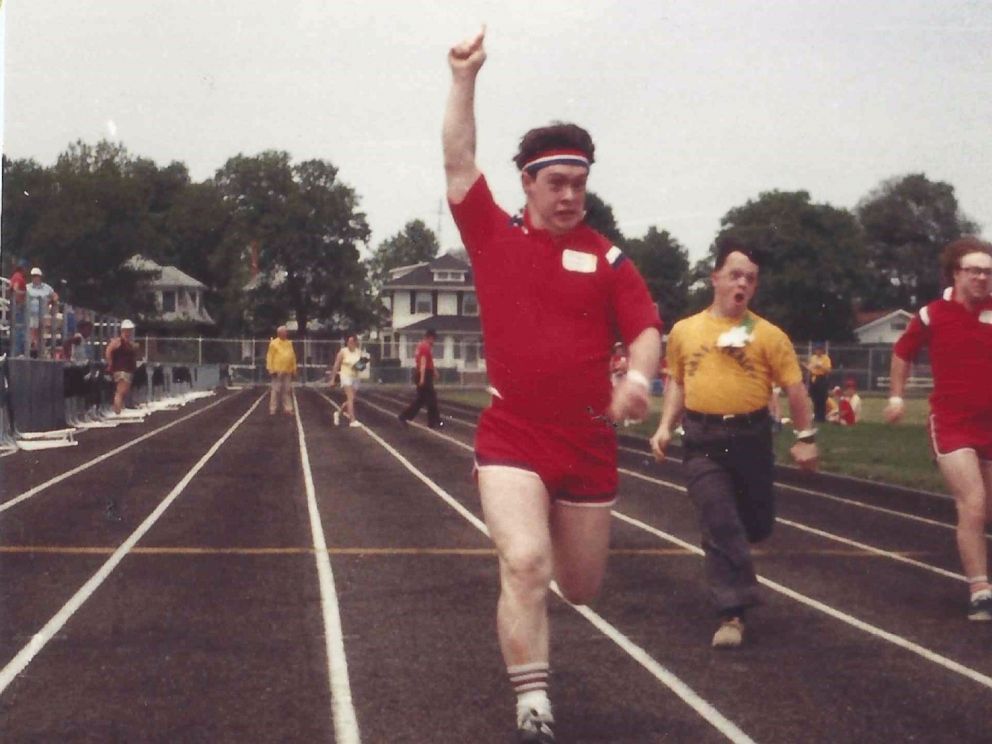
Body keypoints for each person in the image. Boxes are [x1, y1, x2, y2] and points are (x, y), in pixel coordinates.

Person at [443, 28, 662, 743]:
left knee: (581, 587)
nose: (571, 196)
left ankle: (531, 617)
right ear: (529, 184)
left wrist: (637, 379)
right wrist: (465, 78)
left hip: (590, 440)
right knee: (527, 561)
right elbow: (457, 158)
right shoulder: (492, 236)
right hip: (512, 432)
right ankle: (532, 701)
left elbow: (647, 330)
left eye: (580, 183)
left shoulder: (608, 259)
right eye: (556, 183)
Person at [650, 236, 817, 650]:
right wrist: (665, 426)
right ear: (716, 278)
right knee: (718, 518)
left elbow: (795, 391)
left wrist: (806, 437)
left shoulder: (769, 335)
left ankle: (739, 567)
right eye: (734, 275)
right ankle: (732, 611)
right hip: (703, 438)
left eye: (751, 278)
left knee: (755, 526)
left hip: (752, 439)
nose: (742, 283)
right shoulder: (685, 331)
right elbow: (677, 382)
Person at [885, 237, 992, 621]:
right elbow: (902, 352)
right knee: (974, 501)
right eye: (974, 270)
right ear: (956, 274)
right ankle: (980, 590)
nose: (983, 278)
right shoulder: (933, 314)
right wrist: (897, 397)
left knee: (986, 508)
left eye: (988, 271)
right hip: (952, 423)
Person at [398, 329, 442, 428]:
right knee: (431, 399)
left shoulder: (420, 346)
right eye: (433, 339)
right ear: (430, 337)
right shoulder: (425, 347)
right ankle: (434, 422)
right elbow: (423, 363)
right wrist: (422, 378)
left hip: (425, 373)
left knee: (421, 400)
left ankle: (404, 416)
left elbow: (428, 361)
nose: (434, 342)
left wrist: (434, 371)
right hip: (424, 374)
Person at [329, 334, 367, 428]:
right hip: (345, 376)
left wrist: (362, 365)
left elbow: (362, 366)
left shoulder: (359, 352)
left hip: (355, 377)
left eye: (351, 342)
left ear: (355, 343)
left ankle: (337, 413)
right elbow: (336, 365)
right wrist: (332, 379)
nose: (349, 343)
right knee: (350, 398)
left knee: (351, 399)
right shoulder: (343, 352)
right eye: (348, 342)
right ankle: (352, 420)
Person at [105, 320, 139, 414]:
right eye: (128, 330)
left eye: (130, 330)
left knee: (123, 391)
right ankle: (117, 411)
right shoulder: (118, 342)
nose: (129, 332)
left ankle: (119, 409)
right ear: (123, 330)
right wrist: (110, 363)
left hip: (127, 369)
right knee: (120, 391)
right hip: (121, 370)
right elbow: (108, 351)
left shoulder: (129, 343)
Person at [25, 267, 59, 358]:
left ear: (40, 277)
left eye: (37, 276)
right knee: (32, 332)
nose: (35, 278)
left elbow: (55, 295)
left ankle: (40, 351)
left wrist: (52, 302)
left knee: (40, 333)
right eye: (33, 276)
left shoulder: (46, 287)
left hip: (43, 314)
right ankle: (32, 351)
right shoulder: (27, 287)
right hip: (30, 314)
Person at [266, 325, 297, 416]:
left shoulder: (289, 343)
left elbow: (293, 356)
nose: (286, 333)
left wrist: (294, 368)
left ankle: (288, 408)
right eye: (285, 332)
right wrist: (270, 369)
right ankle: (273, 409)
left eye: (286, 332)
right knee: (276, 390)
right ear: (280, 333)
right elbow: (269, 357)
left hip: (288, 370)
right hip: (277, 370)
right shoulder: (273, 343)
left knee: (287, 390)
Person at [805, 343, 832, 423]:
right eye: (817, 349)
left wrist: (820, 366)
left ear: (822, 350)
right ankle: (816, 416)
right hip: (813, 378)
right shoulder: (813, 358)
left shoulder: (826, 358)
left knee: (822, 398)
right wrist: (807, 367)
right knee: (815, 398)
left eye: (819, 349)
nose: (818, 351)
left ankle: (821, 417)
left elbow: (828, 370)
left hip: (821, 378)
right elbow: (810, 367)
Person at [8, 260, 28, 356]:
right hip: (19, 306)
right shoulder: (18, 277)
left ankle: (17, 351)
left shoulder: (14, 276)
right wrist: (25, 294)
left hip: (15, 306)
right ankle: (18, 351)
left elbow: (11, 289)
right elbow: (15, 289)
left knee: (17, 328)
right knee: (20, 329)